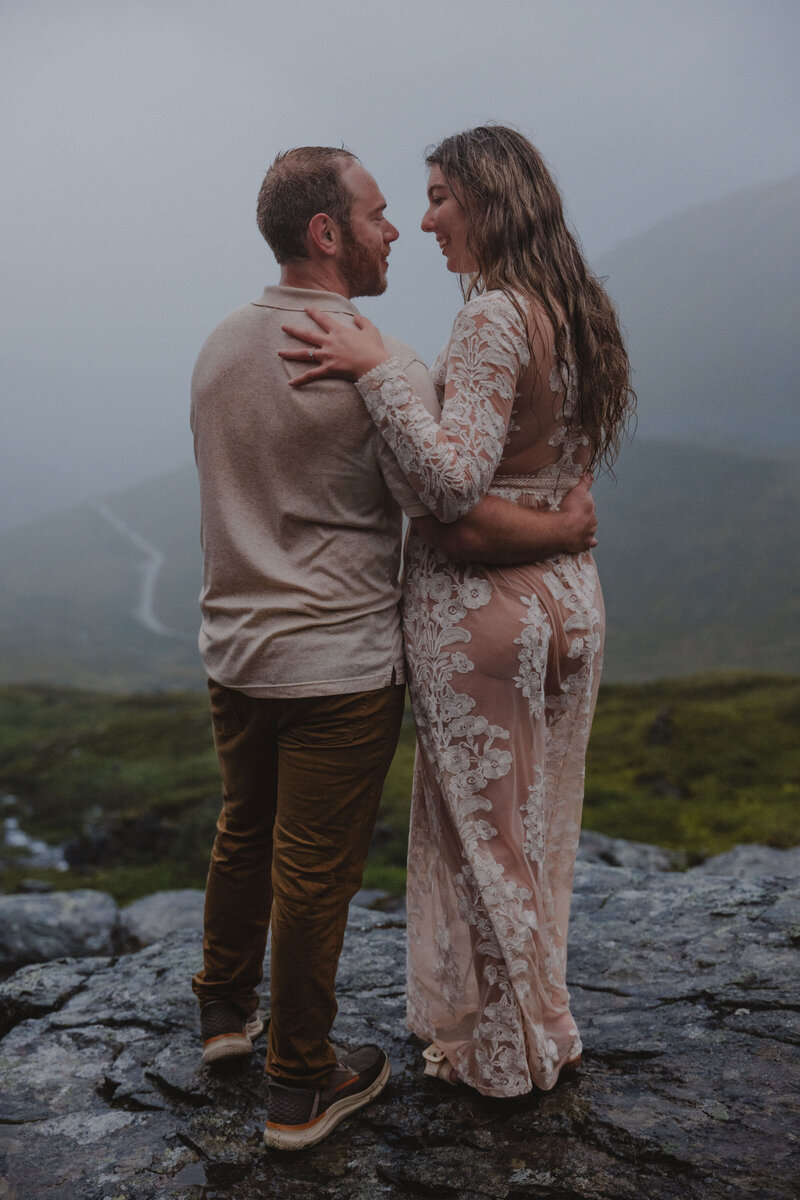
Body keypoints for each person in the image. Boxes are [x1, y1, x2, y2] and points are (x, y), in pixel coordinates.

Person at [190, 144, 601, 1147]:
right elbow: (445, 504)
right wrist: (557, 530)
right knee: (314, 872)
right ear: (325, 232)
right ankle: (299, 1086)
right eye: (379, 214)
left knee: (243, 827)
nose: (397, 231)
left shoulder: (217, 347)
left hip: (234, 649)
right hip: (335, 661)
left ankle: (221, 1014)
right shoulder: (383, 362)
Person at [278, 126, 635, 1097]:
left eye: (438, 196)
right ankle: (538, 1030)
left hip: (481, 617)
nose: (425, 218)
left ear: (487, 201)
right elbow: (550, 479)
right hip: (570, 607)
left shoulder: (490, 319)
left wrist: (377, 368)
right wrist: (559, 535)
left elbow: (446, 483)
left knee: (486, 844)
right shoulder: (577, 307)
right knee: (540, 827)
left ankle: (510, 1052)